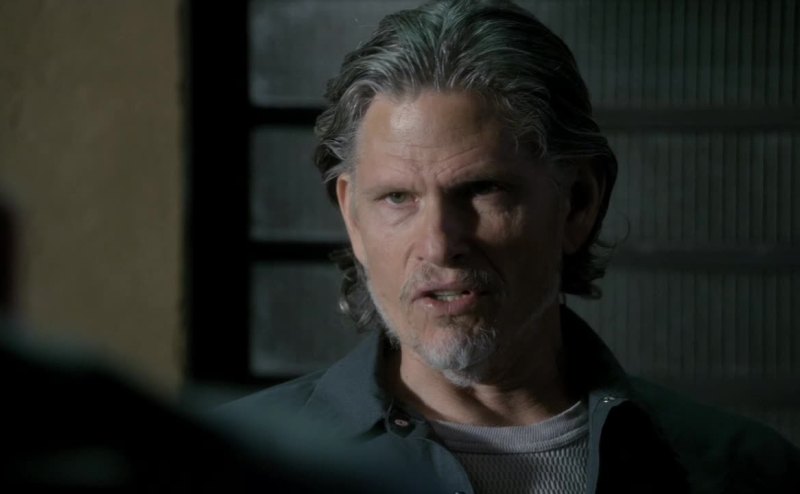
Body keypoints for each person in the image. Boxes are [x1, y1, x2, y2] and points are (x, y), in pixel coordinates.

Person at [221, 1, 800, 492]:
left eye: (482, 190)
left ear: (578, 202)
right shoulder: (232, 466)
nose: (439, 245)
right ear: (352, 215)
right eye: (397, 197)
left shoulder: (740, 472)